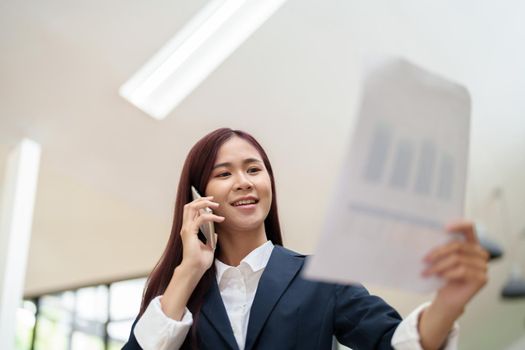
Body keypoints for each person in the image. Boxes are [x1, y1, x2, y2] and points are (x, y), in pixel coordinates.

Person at [122, 128, 488, 350]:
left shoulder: (322, 277)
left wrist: (448, 303)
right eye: (224, 173)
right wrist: (188, 272)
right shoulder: (179, 300)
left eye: (254, 169)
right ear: (199, 195)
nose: (245, 181)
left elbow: (392, 343)